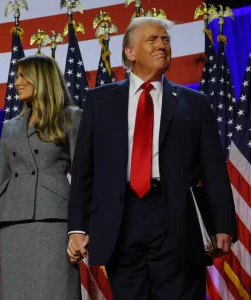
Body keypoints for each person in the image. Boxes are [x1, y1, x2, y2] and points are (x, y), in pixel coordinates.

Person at [67, 17, 237, 299]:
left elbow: (214, 170)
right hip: (119, 221)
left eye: (165, 40)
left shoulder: (194, 103)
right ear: (130, 53)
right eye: (153, 40)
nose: (162, 45)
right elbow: (84, 171)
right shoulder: (99, 101)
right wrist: (76, 228)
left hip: (178, 222)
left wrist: (223, 224)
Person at [0, 54, 82, 300]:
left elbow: (83, 177)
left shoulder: (70, 117)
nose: (17, 82)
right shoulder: (10, 127)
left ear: (41, 78)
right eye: (16, 76)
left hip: (54, 221)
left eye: (22, 76)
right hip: (13, 225)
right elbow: (0, 182)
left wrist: (81, 228)